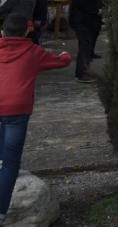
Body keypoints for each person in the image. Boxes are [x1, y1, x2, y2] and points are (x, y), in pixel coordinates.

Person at [0, 14, 72, 225]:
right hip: (17, 109)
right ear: (26, 32)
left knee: (2, 156)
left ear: (3, 31)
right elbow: (61, 61)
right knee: (11, 164)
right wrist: (66, 53)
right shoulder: (32, 52)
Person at [69, 0, 105, 83]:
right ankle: (81, 73)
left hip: (92, 21)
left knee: (88, 46)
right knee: (84, 46)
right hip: (82, 21)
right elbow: (81, 3)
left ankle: (85, 70)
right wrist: (97, 10)